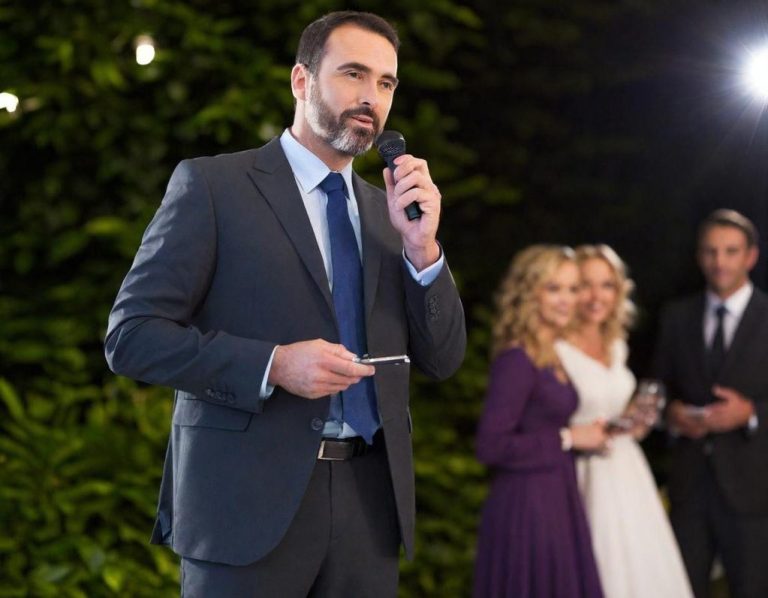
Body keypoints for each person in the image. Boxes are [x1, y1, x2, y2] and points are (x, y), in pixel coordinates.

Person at [104, 11, 466, 597]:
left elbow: (443, 359)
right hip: (244, 508)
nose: (370, 97)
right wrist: (273, 365)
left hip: (369, 510)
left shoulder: (393, 215)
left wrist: (423, 250)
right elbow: (132, 337)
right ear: (301, 80)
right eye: (353, 74)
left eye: (385, 83)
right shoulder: (214, 187)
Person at [555, 244, 693, 598]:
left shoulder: (617, 344)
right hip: (580, 472)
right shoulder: (555, 347)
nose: (596, 296)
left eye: (607, 285)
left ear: (618, 291)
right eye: (585, 285)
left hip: (627, 470)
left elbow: (615, 406)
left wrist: (636, 420)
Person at [473, 245, 606, 598]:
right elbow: (490, 446)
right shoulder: (517, 359)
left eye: (573, 289)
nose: (567, 300)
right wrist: (568, 438)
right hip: (527, 504)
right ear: (530, 292)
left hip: (558, 494)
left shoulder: (553, 354)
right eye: (554, 288)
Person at [653, 209, 768, 598]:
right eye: (710, 251)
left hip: (754, 491)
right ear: (699, 255)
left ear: (750, 256)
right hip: (689, 487)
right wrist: (670, 414)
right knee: (681, 588)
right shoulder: (676, 316)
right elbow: (657, 386)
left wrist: (751, 413)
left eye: (730, 251)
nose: (720, 262)